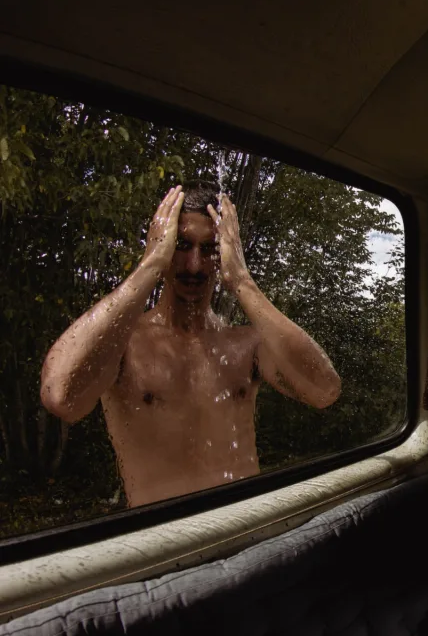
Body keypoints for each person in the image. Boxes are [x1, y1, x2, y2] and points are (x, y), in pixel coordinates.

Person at [40, 183, 342, 506]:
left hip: (247, 531)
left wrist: (241, 280)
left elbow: (324, 389)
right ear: (164, 243)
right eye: (181, 245)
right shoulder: (124, 344)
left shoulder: (244, 346)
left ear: (224, 252)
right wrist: (151, 264)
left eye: (209, 248)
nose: (194, 265)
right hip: (164, 543)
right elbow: (61, 396)